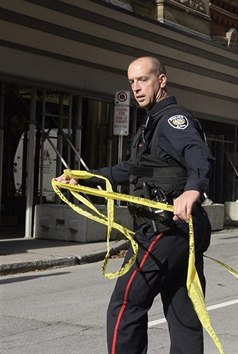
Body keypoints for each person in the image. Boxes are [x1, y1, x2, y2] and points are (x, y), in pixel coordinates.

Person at [55, 56, 212, 354]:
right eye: (132, 82)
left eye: (143, 80)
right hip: (178, 233)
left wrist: (193, 190)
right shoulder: (153, 123)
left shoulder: (172, 121)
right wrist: (86, 179)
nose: (137, 88)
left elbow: (198, 154)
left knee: (126, 304)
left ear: (161, 80)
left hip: (166, 230)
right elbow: (129, 170)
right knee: (183, 312)